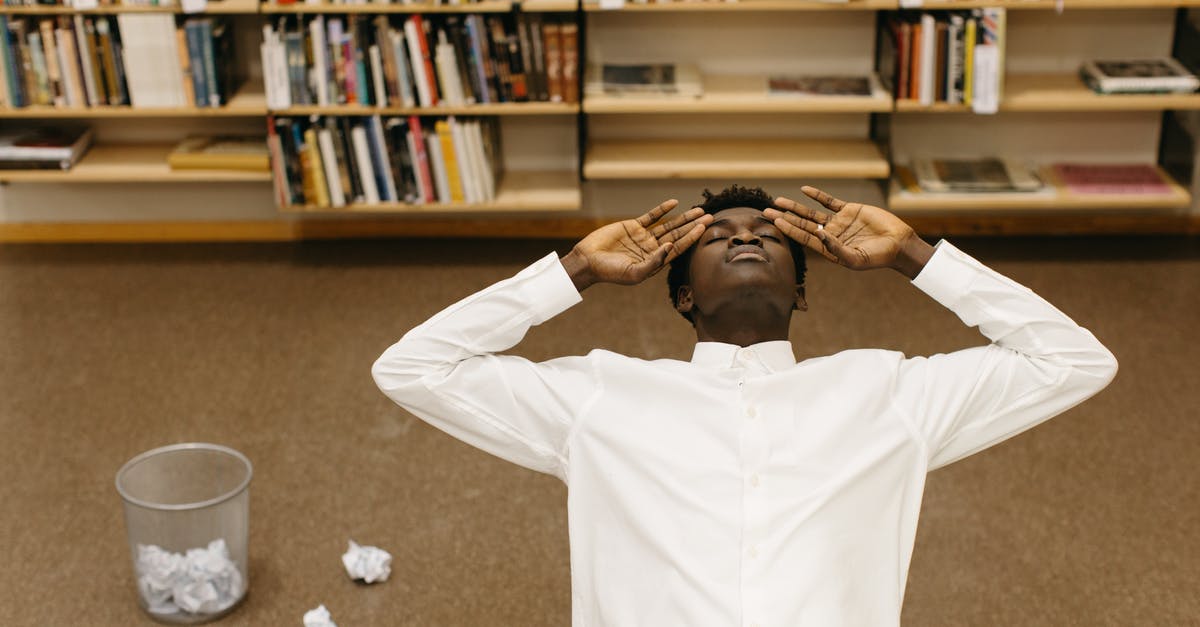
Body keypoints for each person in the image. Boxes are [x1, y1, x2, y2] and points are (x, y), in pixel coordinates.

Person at [372, 184, 1117, 627]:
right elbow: (411, 368)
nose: (746, 237)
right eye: (720, 234)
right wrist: (572, 272)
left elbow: (1075, 361)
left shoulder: (886, 392)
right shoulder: (601, 395)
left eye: (766, 233)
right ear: (683, 293)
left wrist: (915, 255)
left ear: (800, 288)